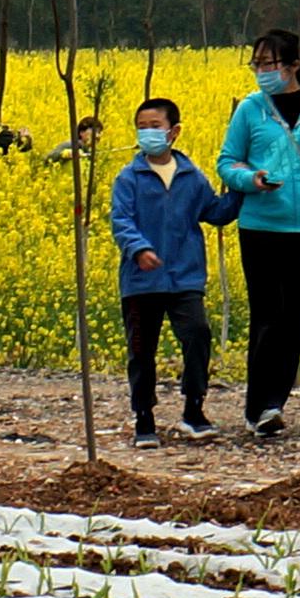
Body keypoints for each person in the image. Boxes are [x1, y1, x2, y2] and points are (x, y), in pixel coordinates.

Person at [211, 27, 300, 439]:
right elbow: (227, 162)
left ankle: (275, 402)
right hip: (260, 227)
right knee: (267, 315)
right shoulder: (250, 110)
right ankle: (258, 404)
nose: (260, 71)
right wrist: (251, 179)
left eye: (268, 63)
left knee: (295, 316)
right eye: (256, 63)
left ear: (294, 65)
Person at [105, 92, 228, 443]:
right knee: (142, 351)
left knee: (198, 335)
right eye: (141, 127)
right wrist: (139, 249)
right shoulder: (129, 177)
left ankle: (194, 407)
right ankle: (144, 418)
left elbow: (213, 212)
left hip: (184, 277)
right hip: (141, 281)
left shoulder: (191, 176)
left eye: (154, 126)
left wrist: (243, 189)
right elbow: (121, 221)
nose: (148, 133)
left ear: (173, 132)